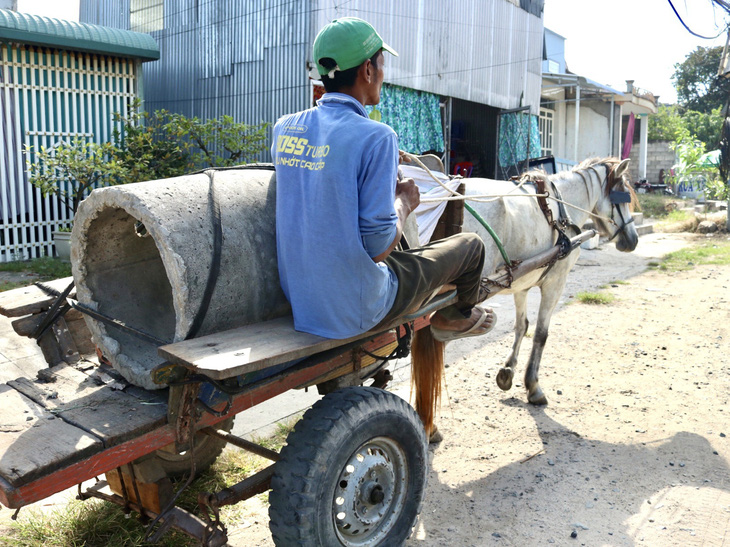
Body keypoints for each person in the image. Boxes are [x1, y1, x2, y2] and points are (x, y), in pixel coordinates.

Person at [272, 16, 495, 341]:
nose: (383, 73)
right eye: (381, 64)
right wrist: (405, 201)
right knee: (472, 246)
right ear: (366, 71)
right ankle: (454, 316)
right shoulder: (378, 137)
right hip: (355, 306)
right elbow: (377, 249)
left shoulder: (284, 127)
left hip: (302, 299)